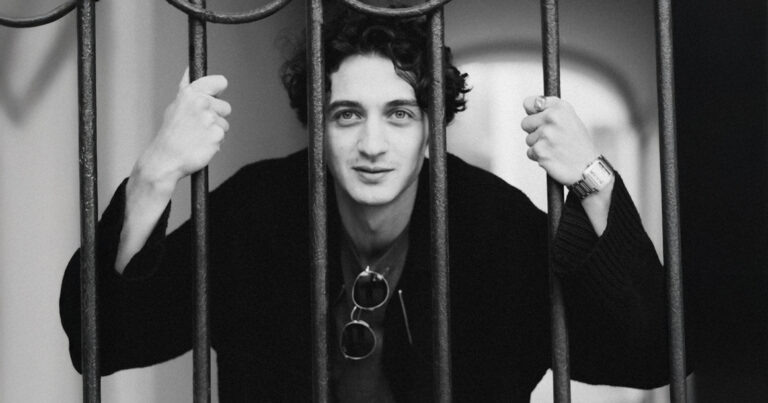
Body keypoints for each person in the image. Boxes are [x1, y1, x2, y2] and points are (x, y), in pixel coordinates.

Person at [60, 7, 671, 402]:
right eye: (347, 115)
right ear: (317, 129)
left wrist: (594, 180)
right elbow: (102, 340)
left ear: (432, 130)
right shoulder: (257, 213)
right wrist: (156, 173)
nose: (372, 144)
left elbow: (651, 355)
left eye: (399, 115)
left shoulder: (494, 228)